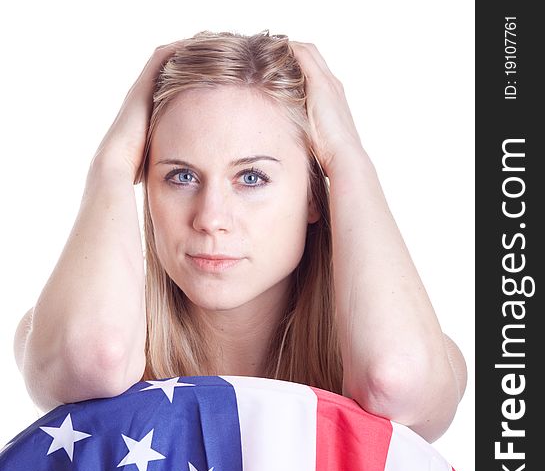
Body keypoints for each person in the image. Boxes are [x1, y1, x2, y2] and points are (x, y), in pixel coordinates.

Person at [13, 30, 467, 443]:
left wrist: (349, 161)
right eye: (181, 176)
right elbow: (96, 357)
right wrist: (109, 166)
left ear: (313, 193)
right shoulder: (65, 324)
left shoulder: (410, 342)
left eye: (251, 177)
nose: (211, 218)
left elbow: (395, 381)